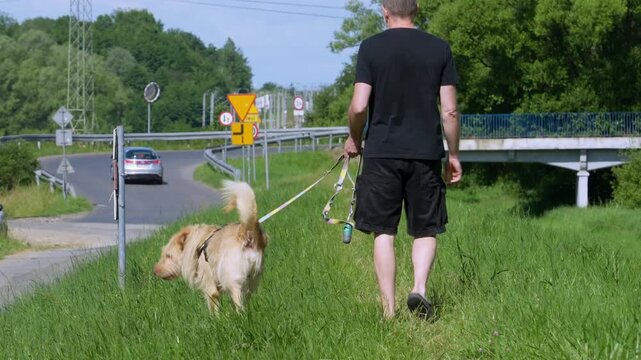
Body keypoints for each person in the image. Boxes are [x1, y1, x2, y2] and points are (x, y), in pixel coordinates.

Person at [344, 0, 462, 319]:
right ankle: (419, 289)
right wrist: (453, 154)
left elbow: (358, 106)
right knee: (425, 228)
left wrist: (354, 138)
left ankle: (388, 311)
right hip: (424, 152)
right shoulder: (439, 49)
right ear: (418, 9)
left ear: (385, 11)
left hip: (382, 152)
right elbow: (449, 110)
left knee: (385, 230)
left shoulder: (371, 48)